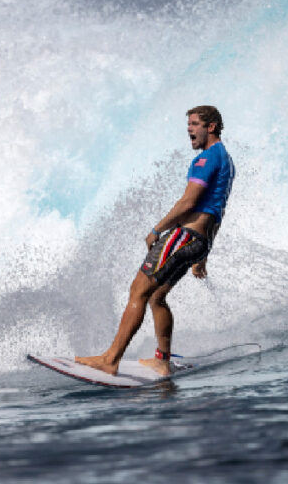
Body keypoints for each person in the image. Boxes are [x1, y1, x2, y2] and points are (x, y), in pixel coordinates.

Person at [76, 105, 235, 377]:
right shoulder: (226, 161)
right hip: (199, 241)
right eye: (188, 125)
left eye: (195, 124)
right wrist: (203, 255)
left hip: (183, 236)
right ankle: (162, 360)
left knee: (138, 290)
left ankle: (110, 359)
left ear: (211, 127)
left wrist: (157, 229)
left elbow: (189, 202)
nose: (189, 130)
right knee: (157, 297)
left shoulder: (206, 159)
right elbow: (216, 212)